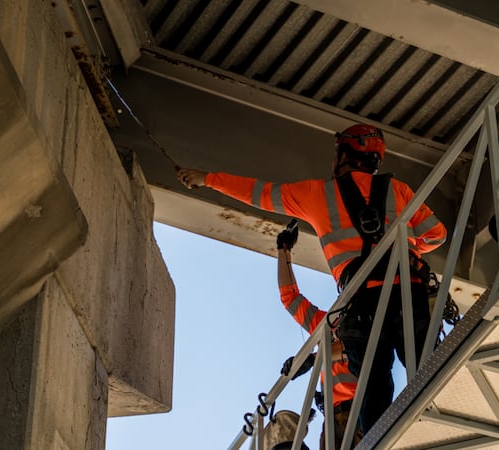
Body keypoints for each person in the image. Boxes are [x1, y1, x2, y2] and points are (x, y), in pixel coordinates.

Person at [176, 123, 447, 434]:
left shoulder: (316, 194)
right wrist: (409, 248)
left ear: (345, 155)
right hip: (408, 293)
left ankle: (382, 438)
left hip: (361, 304)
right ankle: (437, 428)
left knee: (373, 391)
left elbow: (261, 194)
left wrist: (207, 179)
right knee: (428, 374)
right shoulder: (399, 191)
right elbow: (436, 234)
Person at [275, 220, 361, 449]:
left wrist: (311, 360)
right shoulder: (327, 324)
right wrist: (283, 251)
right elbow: (290, 298)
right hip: (333, 416)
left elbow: (354, 349)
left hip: (361, 409)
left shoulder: (372, 318)